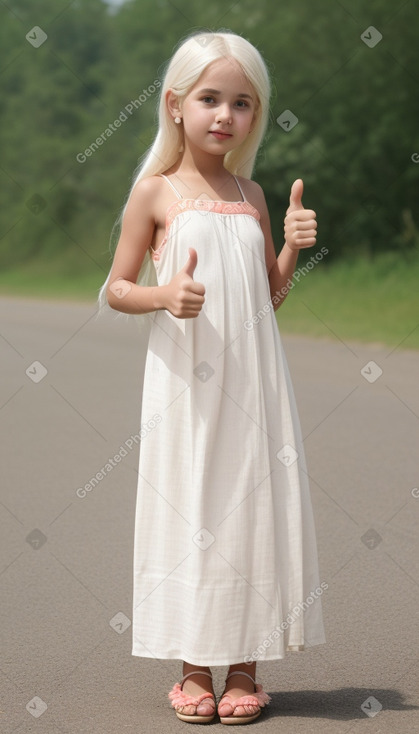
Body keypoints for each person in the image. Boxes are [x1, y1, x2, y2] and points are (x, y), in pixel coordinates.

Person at [98, 28, 326, 726]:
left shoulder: (251, 194)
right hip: (185, 390)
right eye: (209, 99)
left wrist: (287, 246)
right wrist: (164, 297)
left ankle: (248, 665)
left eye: (242, 103)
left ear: (256, 114)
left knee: (251, 504)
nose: (224, 115)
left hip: (253, 382)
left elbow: (267, 296)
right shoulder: (155, 192)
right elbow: (115, 287)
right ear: (173, 104)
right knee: (193, 505)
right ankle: (195, 666)